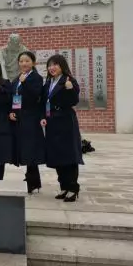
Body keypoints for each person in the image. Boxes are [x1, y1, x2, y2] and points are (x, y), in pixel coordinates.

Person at [40, 54, 84, 202]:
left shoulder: (69, 80)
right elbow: (44, 103)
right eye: (50, 65)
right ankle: (64, 187)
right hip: (52, 122)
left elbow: (74, 100)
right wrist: (43, 117)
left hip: (66, 121)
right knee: (58, 155)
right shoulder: (48, 83)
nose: (52, 68)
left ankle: (73, 188)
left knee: (69, 155)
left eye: (55, 64)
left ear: (62, 66)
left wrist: (70, 89)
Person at [9, 51, 46, 194]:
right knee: (25, 148)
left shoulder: (36, 78)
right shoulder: (17, 78)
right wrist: (12, 111)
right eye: (21, 61)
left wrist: (25, 83)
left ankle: (33, 181)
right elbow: (14, 97)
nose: (24, 63)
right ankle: (32, 178)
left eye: (27, 61)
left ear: (33, 63)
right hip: (19, 118)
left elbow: (35, 96)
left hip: (31, 118)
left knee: (31, 149)